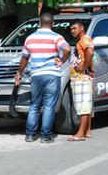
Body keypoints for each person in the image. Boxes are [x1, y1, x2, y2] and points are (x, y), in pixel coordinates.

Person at [15, 13, 71, 143]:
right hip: (52, 74)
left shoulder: (30, 38)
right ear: (53, 23)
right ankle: (45, 136)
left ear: (39, 23)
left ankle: (30, 135)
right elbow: (67, 49)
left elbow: (24, 58)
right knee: (48, 106)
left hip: (36, 75)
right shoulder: (57, 37)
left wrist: (19, 73)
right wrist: (62, 60)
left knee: (34, 105)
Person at [67, 20, 95, 141]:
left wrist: (83, 67)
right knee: (85, 104)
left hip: (82, 77)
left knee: (83, 105)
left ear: (82, 28)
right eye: (71, 29)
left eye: (75, 28)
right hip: (78, 77)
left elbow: (90, 52)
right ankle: (87, 131)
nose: (72, 31)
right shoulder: (80, 41)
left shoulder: (85, 39)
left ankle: (80, 133)